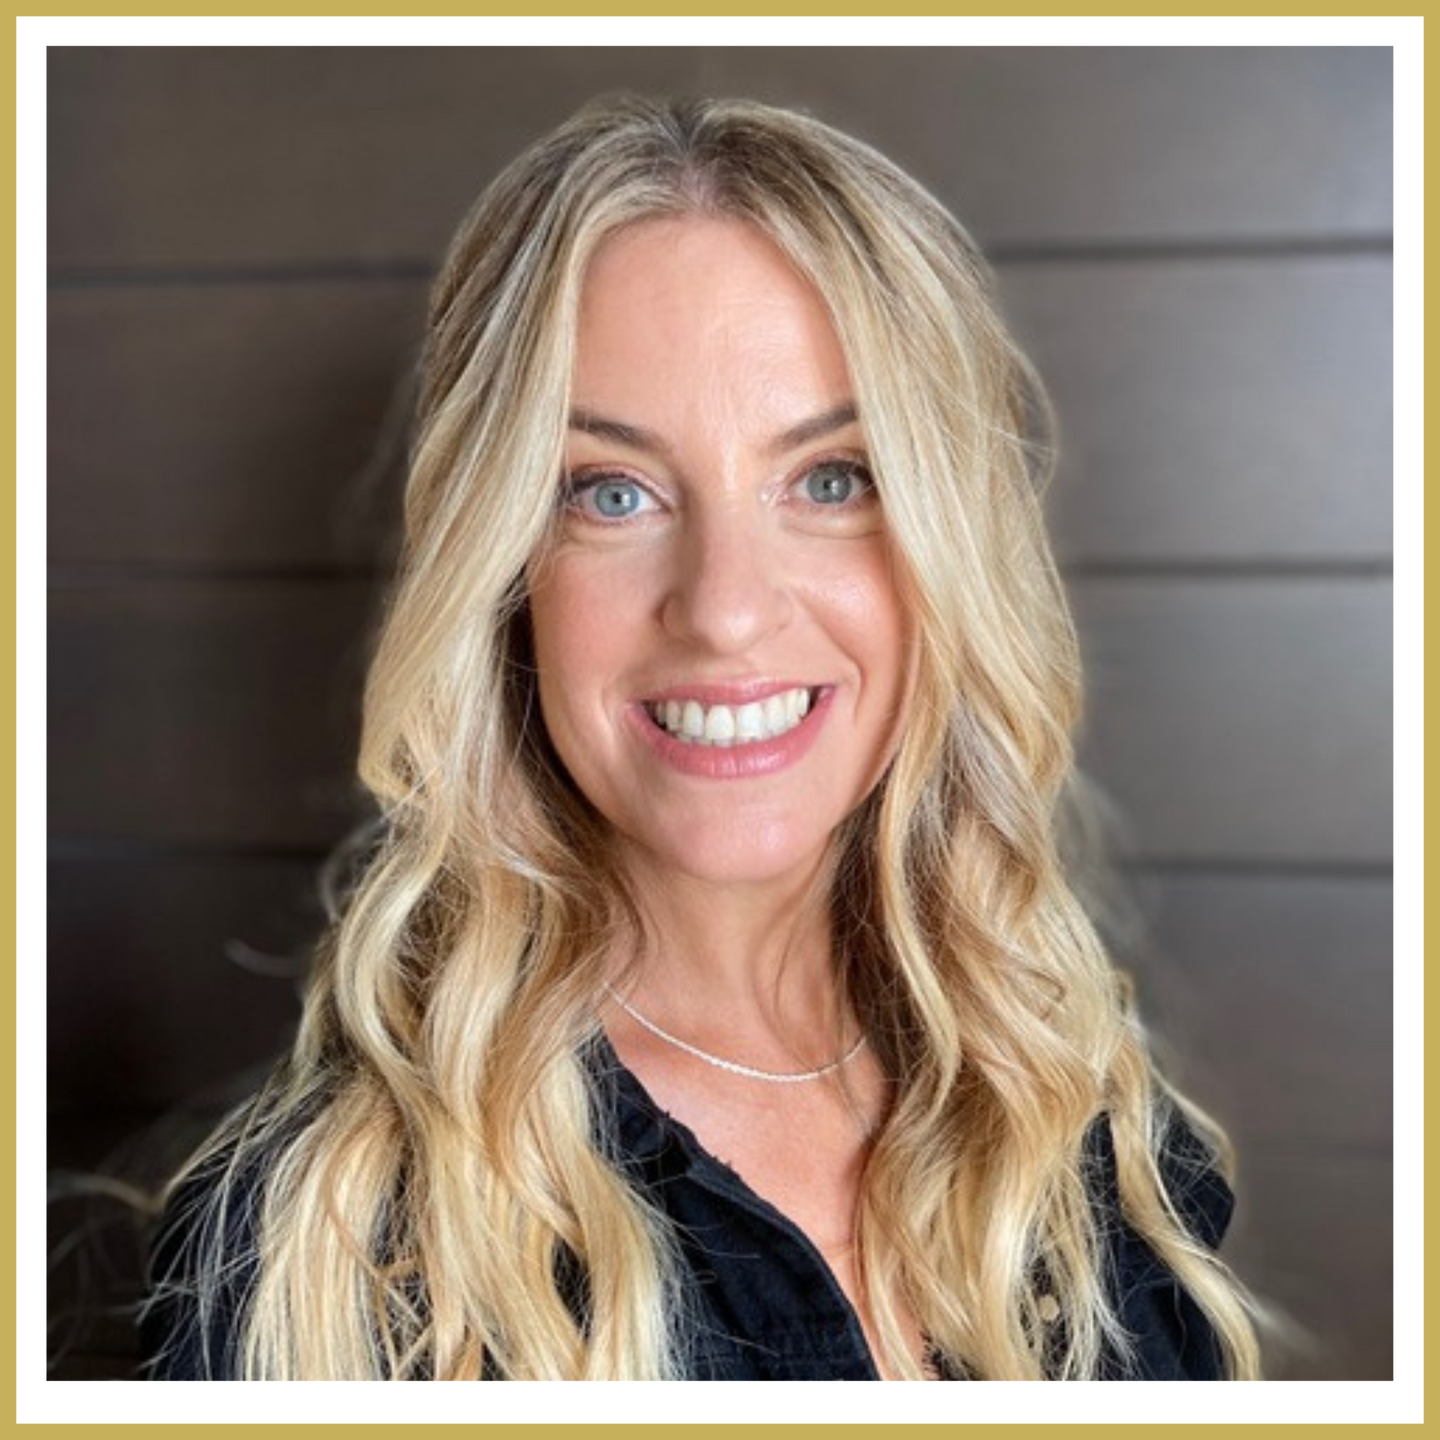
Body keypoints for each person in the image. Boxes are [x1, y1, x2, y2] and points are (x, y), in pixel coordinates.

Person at [141, 94, 1261, 1385]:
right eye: (611, 492)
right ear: (500, 567)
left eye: (832, 479)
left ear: (953, 538)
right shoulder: (323, 1258)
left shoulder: (1089, 1129)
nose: (725, 608)